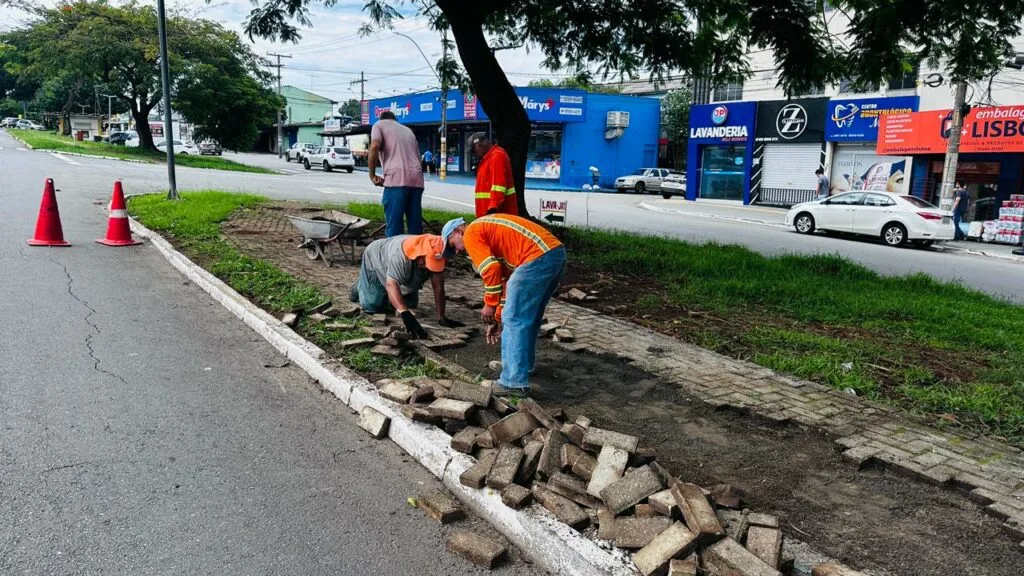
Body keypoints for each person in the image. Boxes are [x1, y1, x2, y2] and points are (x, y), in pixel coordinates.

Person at [442, 214, 566, 398]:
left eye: (453, 245)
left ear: (458, 231)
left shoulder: (471, 232)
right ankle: (520, 366)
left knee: (515, 319)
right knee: (527, 318)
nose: (458, 252)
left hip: (536, 257)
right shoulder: (493, 237)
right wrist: (498, 318)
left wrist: (489, 304)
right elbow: (506, 282)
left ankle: (513, 381)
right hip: (554, 255)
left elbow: (491, 269)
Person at [349, 234, 463, 338]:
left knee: (410, 304)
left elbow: (438, 287)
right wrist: (405, 313)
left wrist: (441, 317)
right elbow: (391, 284)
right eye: (426, 262)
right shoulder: (400, 256)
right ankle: (360, 286)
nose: (427, 266)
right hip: (377, 260)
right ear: (420, 253)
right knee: (373, 306)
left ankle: (390, 296)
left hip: (404, 271)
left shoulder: (437, 252)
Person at [368, 110, 425, 237]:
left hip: (396, 180)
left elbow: (374, 146)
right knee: (415, 228)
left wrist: (372, 175)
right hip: (417, 180)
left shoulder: (379, 125)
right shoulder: (408, 130)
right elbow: (418, 157)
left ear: (381, 118)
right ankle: (415, 256)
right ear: (395, 119)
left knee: (394, 228)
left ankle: (394, 256)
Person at [469, 132, 518, 217]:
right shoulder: (486, 159)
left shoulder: (496, 157)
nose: (474, 153)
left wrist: (493, 208)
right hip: (490, 216)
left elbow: (499, 186)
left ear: (481, 144)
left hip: (497, 216)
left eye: (474, 149)